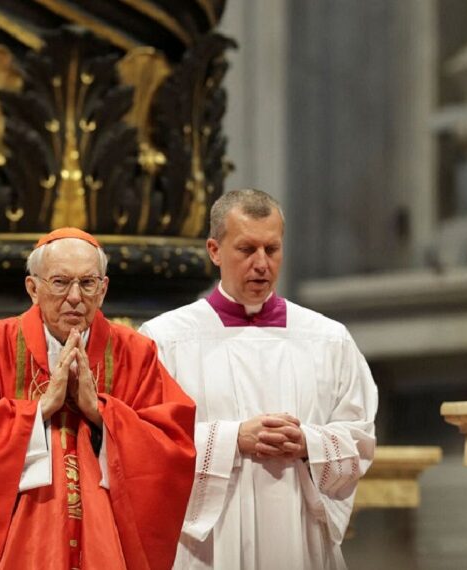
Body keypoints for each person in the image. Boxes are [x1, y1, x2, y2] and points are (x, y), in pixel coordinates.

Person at [139, 189, 378, 570]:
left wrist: (307, 443)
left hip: (299, 534)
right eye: (247, 249)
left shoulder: (328, 339)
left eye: (272, 249)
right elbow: (146, 441)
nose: (262, 264)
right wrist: (234, 439)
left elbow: (360, 438)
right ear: (215, 250)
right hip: (211, 544)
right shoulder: (165, 339)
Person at [0, 227, 197, 570]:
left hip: (106, 538)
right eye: (59, 282)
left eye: (87, 283)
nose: (74, 297)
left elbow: (172, 444)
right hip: (22, 539)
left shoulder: (135, 353)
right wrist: (39, 410)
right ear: (32, 289)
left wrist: (101, 413)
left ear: (103, 290)